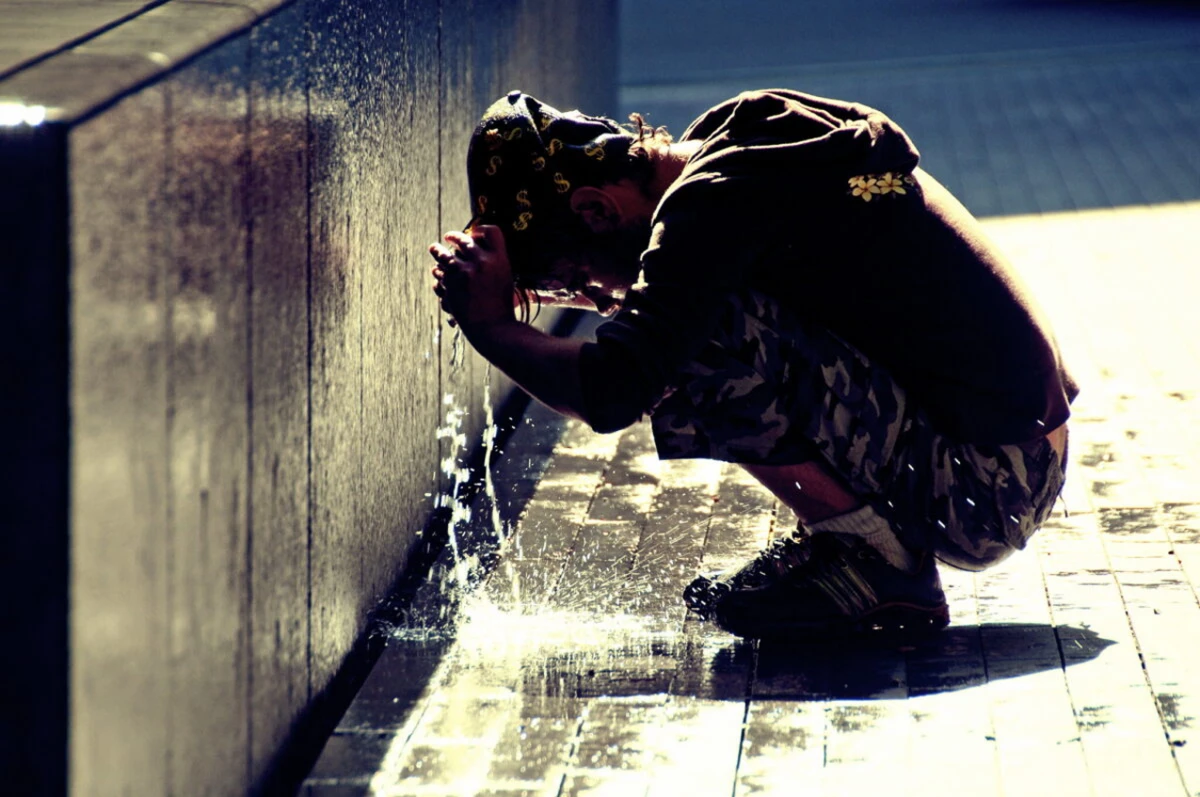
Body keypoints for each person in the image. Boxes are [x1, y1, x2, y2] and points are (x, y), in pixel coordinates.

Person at [429, 89, 1075, 640]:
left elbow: (614, 388)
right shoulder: (728, 142)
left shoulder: (705, 209)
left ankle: (873, 558)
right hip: (1016, 454)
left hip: (986, 489)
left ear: (596, 209)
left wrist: (490, 327)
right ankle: (852, 540)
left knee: (692, 334)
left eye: (581, 279)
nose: (602, 300)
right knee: (685, 319)